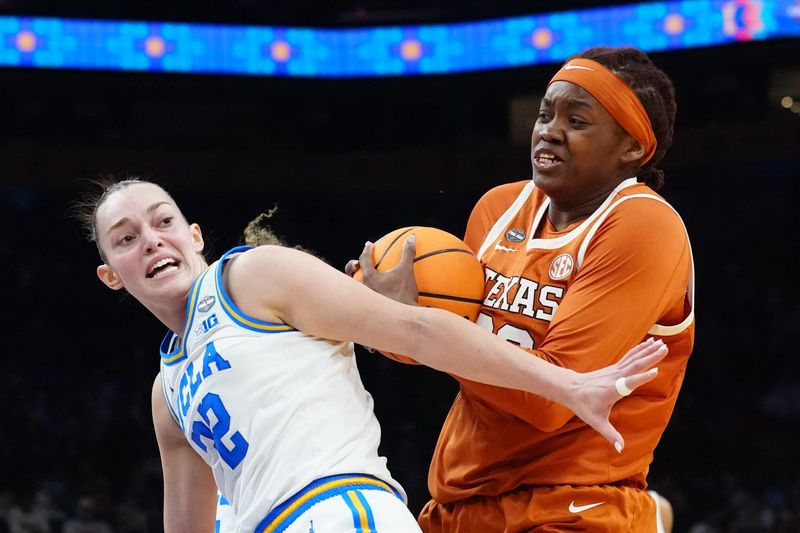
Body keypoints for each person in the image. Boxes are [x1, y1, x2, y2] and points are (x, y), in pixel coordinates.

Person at [77, 178, 666, 533]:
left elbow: (417, 329)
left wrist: (567, 386)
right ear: (111, 275)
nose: (151, 239)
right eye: (127, 238)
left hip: (339, 511)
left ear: (195, 234)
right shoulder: (166, 392)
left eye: (163, 222)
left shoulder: (250, 276)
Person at [350, 46, 694, 531]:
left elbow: (552, 399)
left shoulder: (643, 224)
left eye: (577, 120)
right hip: (460, 502)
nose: (549, 130)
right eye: (545, 114)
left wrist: (414, 328)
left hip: (574, 504)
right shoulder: (498, 208)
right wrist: (380, 316)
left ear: (632, 148)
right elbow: (453, 345)